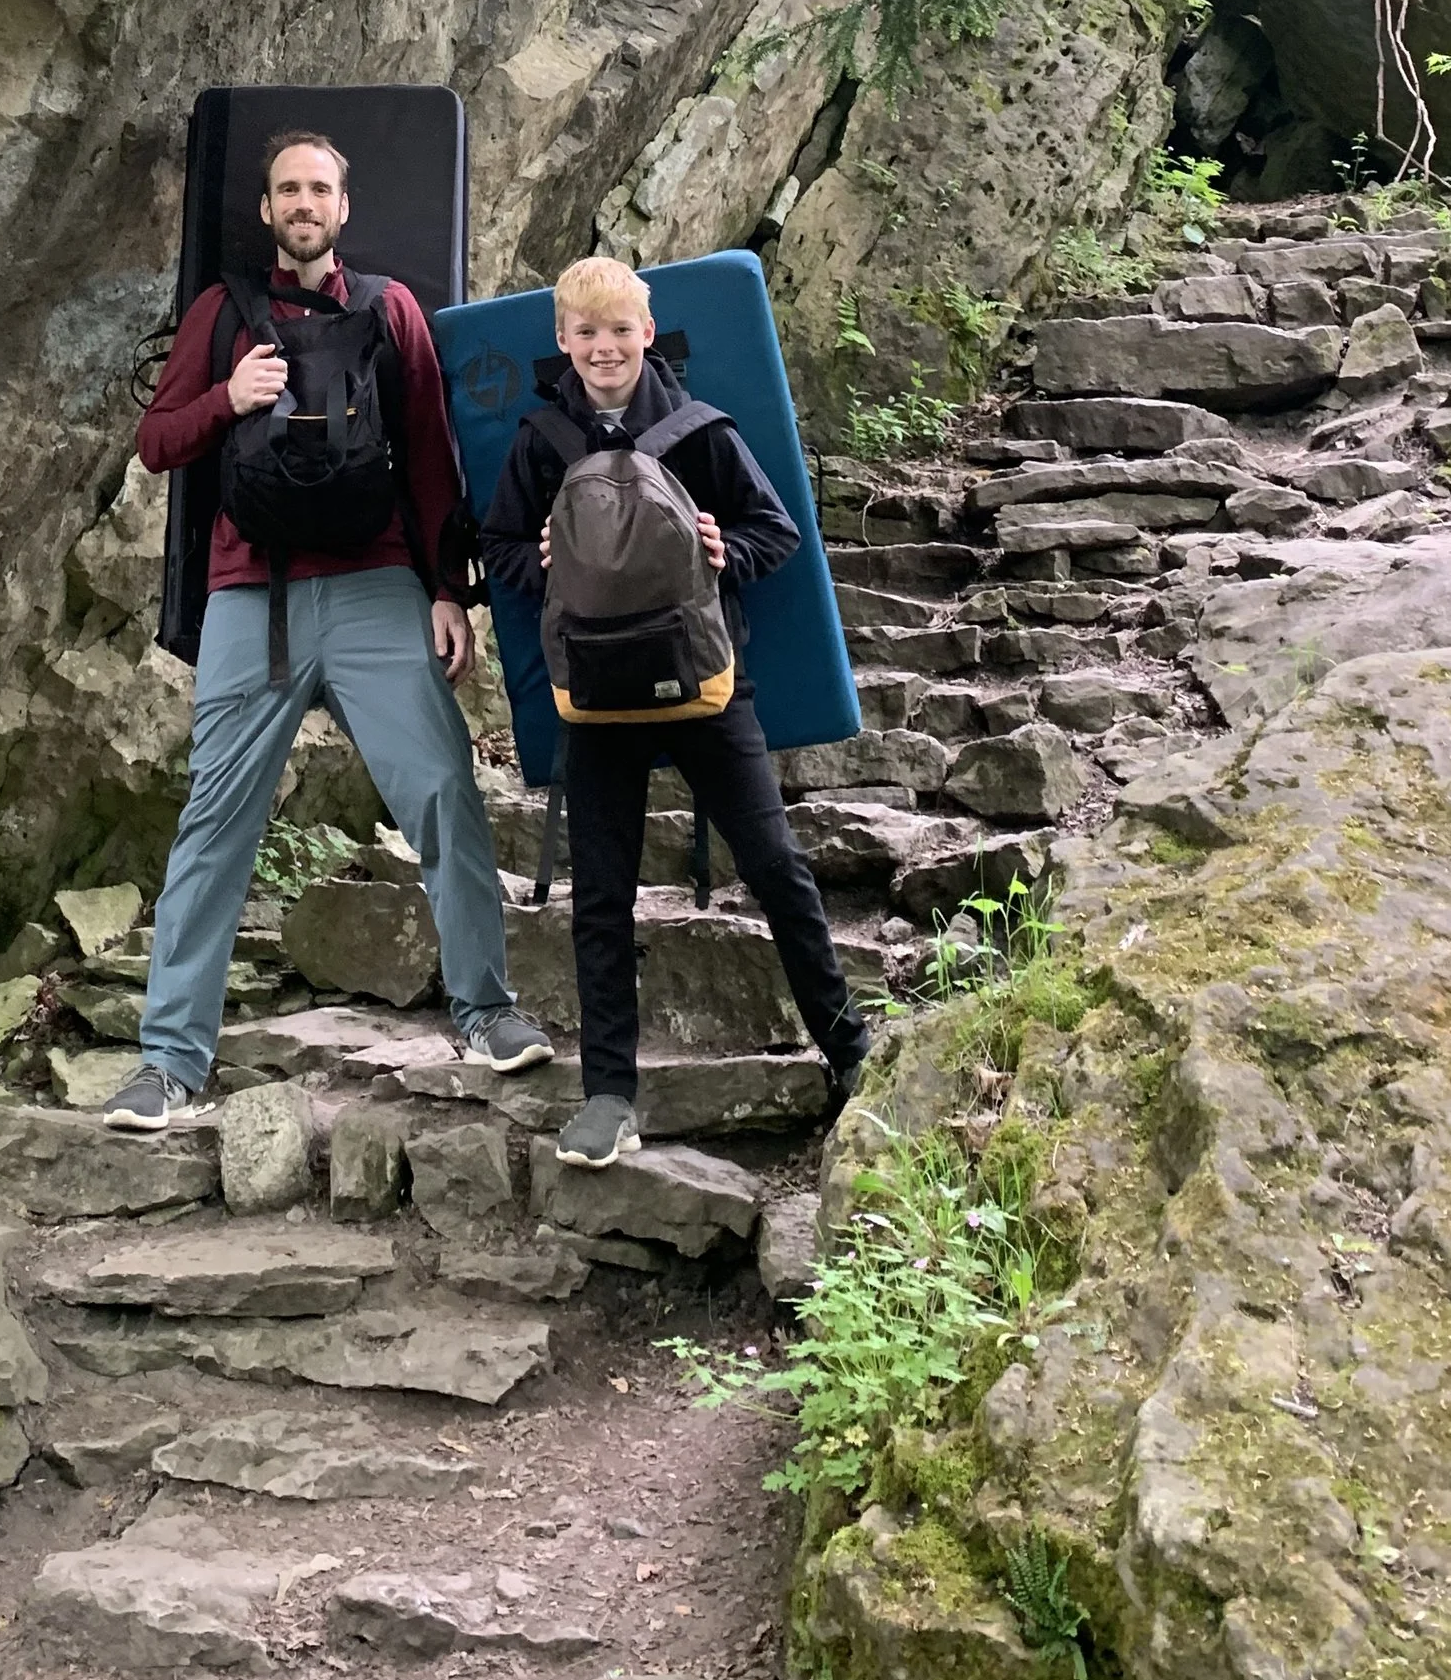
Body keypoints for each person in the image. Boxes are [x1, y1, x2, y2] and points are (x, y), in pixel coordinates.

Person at [101, 128, 553, 1130]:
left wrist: (446, 590)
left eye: (319, 189)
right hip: (249, 593)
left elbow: (431, 453)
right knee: (214, 824)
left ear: (343, 208)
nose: (303, 203)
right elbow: (157, 441)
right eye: (287, 190)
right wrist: (229, 397)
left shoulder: (390, 308)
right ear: (266, 210)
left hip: (375, 586)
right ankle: (168, 1063)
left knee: (442, 792)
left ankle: (486, 1011)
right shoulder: (222, 312)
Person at [479, 253, 872, 1168]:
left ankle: (848, 1046)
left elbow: (776, 529)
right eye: (587, 333)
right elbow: (497, 543)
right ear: (563, 340)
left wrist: (725, 548)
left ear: (648, 334)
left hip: (706, 687)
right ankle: (609, 1096)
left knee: (775, 864)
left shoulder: (699, 429)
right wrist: (543, 560)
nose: (604, 348)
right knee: (601, 894)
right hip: (596, 700)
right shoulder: (542, 440)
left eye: (620, 330)